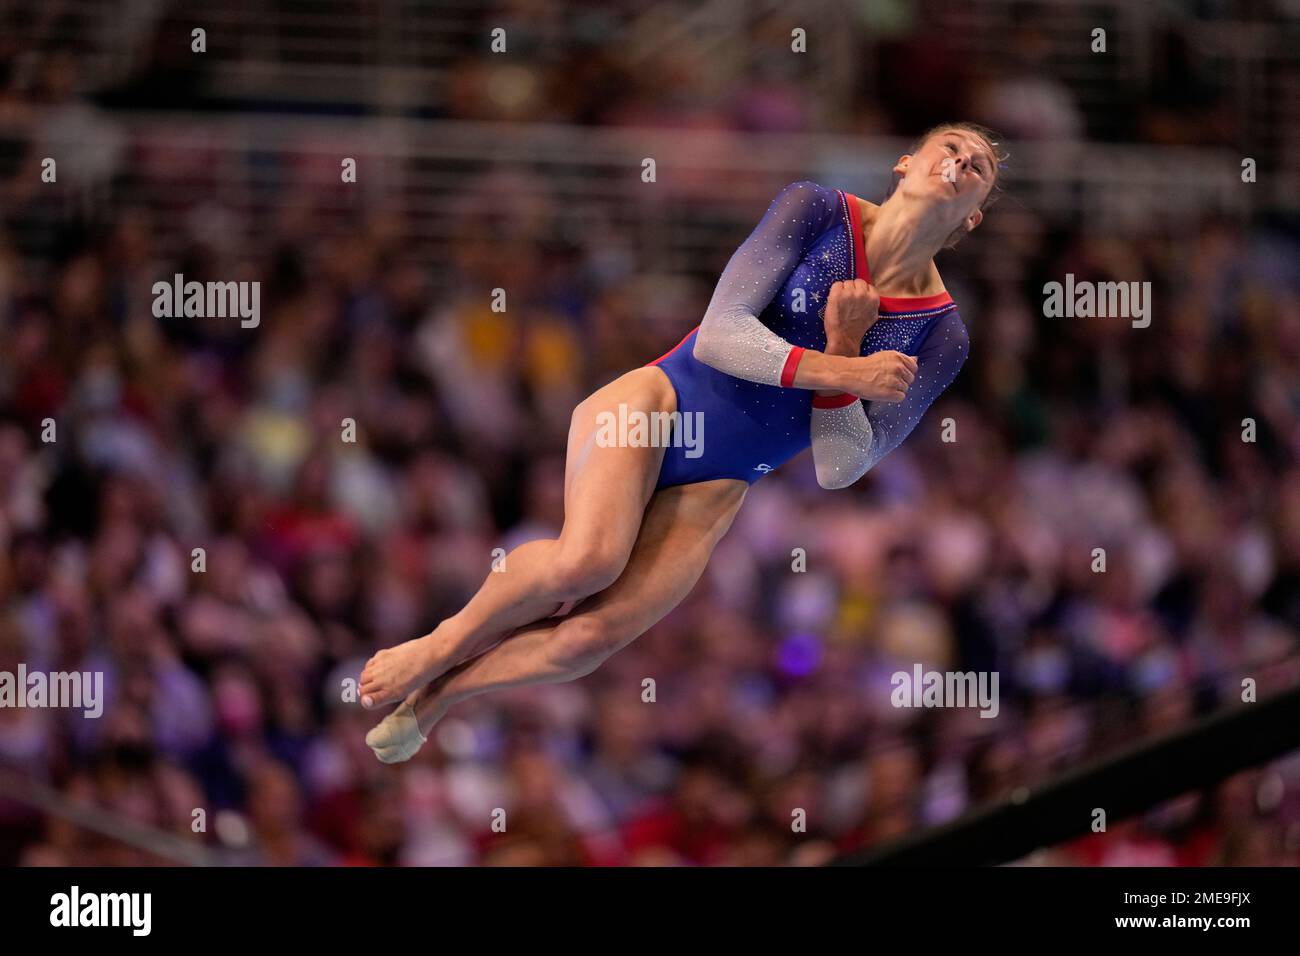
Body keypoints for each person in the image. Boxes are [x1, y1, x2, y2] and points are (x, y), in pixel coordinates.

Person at [361, 123, 1005, 762]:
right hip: (656, 402)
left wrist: (843, 343)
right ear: (904, 163)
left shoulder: (941, 334)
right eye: (950, 145)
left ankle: (440, 697)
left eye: (979, 165)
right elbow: (722, 335)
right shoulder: (816, 209)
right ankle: (440, 644)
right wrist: (842, 369)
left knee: (589, 640)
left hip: (718, 484)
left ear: (973, 218)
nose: (961, 160)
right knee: (587, 563)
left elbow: (841, 465)